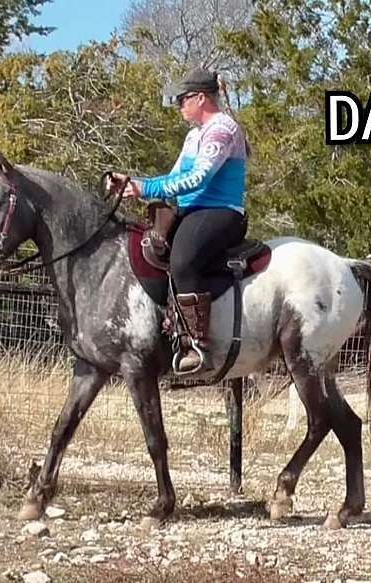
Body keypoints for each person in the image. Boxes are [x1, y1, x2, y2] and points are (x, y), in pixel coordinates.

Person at [112, 67, 249, 373]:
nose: (179, 105)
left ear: (201, 98)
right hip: (191, 211)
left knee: (183, 261)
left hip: (220, 211)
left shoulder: (222, 130)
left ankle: (197, 345)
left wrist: (145, 187)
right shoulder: (193, 136)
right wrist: (133, 184)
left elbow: (199, 178)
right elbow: (175, 178)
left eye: (183, 99)